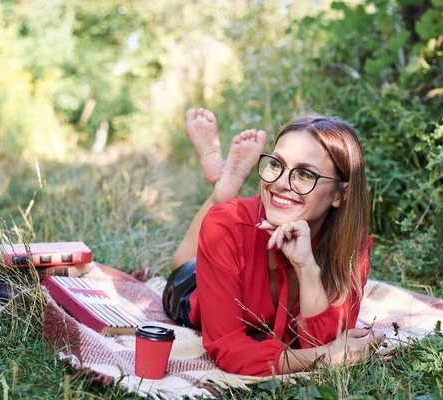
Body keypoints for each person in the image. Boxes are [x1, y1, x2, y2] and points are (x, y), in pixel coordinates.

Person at [162, 108, 385, 376]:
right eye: (276, 164)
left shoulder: (351, 247)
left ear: (340, 194)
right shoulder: (226, 225)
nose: (280, 183)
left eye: (305, 174)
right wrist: (322, 357)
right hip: (196, 284)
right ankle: (222, 193)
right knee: (181, 270)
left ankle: (224, 189)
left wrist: (306, 266)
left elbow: (331, 340)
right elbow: (230, 351)